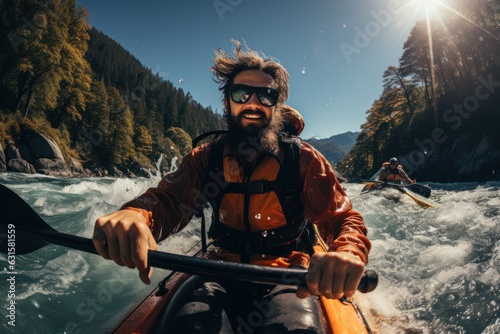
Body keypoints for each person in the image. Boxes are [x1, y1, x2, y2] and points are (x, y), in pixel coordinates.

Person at [92, 40, 371, 333]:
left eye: (265, 96)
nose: (253, 103)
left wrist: (349, 251)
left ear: (276, 106)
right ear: (227, 102)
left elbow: (343, 219)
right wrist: (136, 215)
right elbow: (168, 201)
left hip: (287, 274)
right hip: (217, 271)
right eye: (241, 93)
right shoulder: (206, 158)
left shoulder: (302, 158)